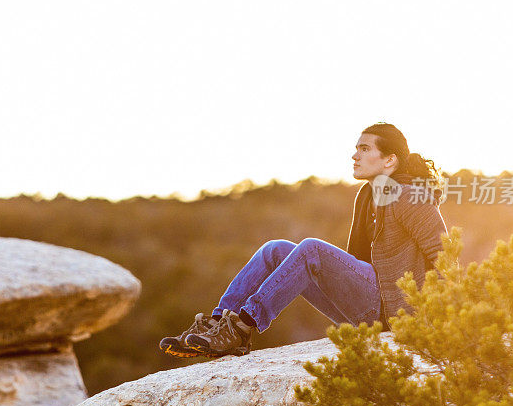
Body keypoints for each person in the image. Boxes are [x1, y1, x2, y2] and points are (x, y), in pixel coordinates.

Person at [159, 122, 448, 358]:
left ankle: (243, 326)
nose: (354, 156)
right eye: (356, 149)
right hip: (369, 304)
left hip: (394, 310)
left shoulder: (410, 196)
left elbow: (444, 254)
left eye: (364, 148)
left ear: (389, 160)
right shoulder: (368, 196)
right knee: (275, 250)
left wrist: (438, 321)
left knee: (312, 249)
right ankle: (218, 323)